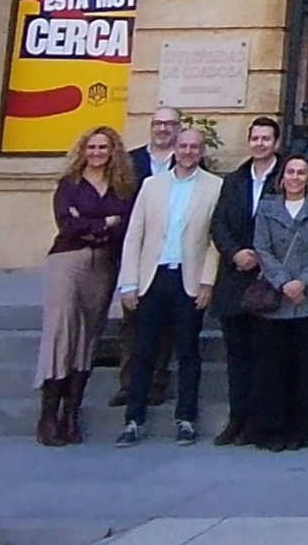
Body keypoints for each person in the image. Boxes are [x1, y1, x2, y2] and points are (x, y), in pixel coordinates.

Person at [114, 129, 222, 447]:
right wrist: (129, 283)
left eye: (194, 147)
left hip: (188, 281)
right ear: (174, 148)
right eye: (183, 145)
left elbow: (214, 241)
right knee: (143, 351)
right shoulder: (151, 185)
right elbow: (135, 235)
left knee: (188, 352)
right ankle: (134, 419)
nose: (188, 151)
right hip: (153, 277)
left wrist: (207, 281)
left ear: (202, 151)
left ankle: (185, 418)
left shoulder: (215, 187)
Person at [36, 127, 135, 447]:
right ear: (83, 150)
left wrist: (92, 226)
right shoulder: (70, 185)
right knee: (61, 332)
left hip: (103, 265)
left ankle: (71, 415)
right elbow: (67, 224)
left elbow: (124, 226)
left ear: (113, 151)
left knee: (87, 337)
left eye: (103, 147)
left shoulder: (122, 187)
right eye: (91, 147)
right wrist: (104, 224)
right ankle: (48, 416)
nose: (96, 152)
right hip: (68, 260)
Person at [246, 154, 308, 452]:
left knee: (306, 368)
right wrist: (284, 281)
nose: (295, 177)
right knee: (274, 369)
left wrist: (303, 282)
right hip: (276, 300)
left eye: (302, 173)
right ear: (281, 178)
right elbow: (262, 248)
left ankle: (301, 430)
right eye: (291, 172)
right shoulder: (268, 208)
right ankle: (272, 429)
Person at [207, 118, 280, 446]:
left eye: (267, 138)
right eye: (256, 138)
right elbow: (219, 223)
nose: (261, 144)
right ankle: (236, 419)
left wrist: (264, 257)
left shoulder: (287, 175)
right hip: (235, 279)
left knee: (265, 355)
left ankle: (259, 420)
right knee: (237, 356)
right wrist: (236, 252)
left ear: (276, 143)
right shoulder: (234, 179)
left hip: (270, 279)